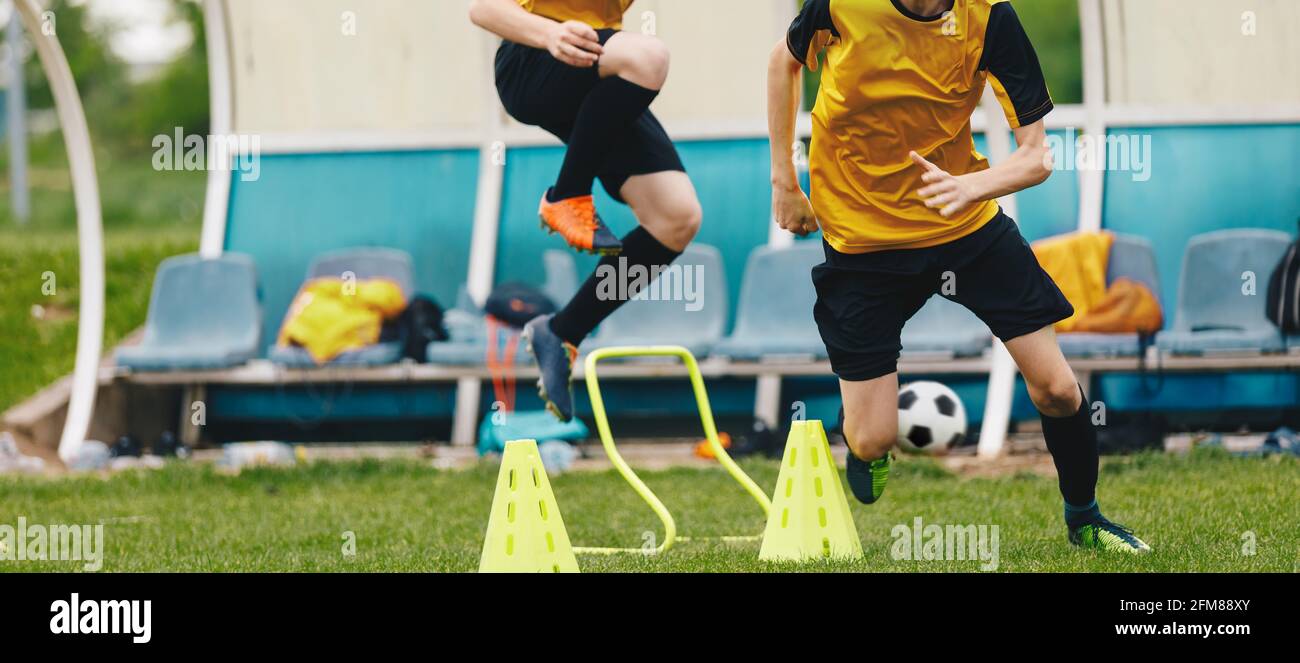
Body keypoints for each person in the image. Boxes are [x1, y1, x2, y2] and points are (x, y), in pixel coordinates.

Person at [767, 0, 1150, 553]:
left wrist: (972, 187)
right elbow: (783, 62)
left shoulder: (989, 18)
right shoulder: (840, 5)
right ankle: (868, 449)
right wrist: (785, 180)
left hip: (965, 226)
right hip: (863, 242)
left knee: (1060, 390)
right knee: (871, 437)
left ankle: (1085, 519)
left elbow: (1037, 157)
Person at [469, 0, 703, 421]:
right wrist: (548, 34)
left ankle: (562, 332)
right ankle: (567, 194)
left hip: (593, 80)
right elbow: (483, 9)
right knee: (648, 57)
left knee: (677, 217)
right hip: (533, 61)